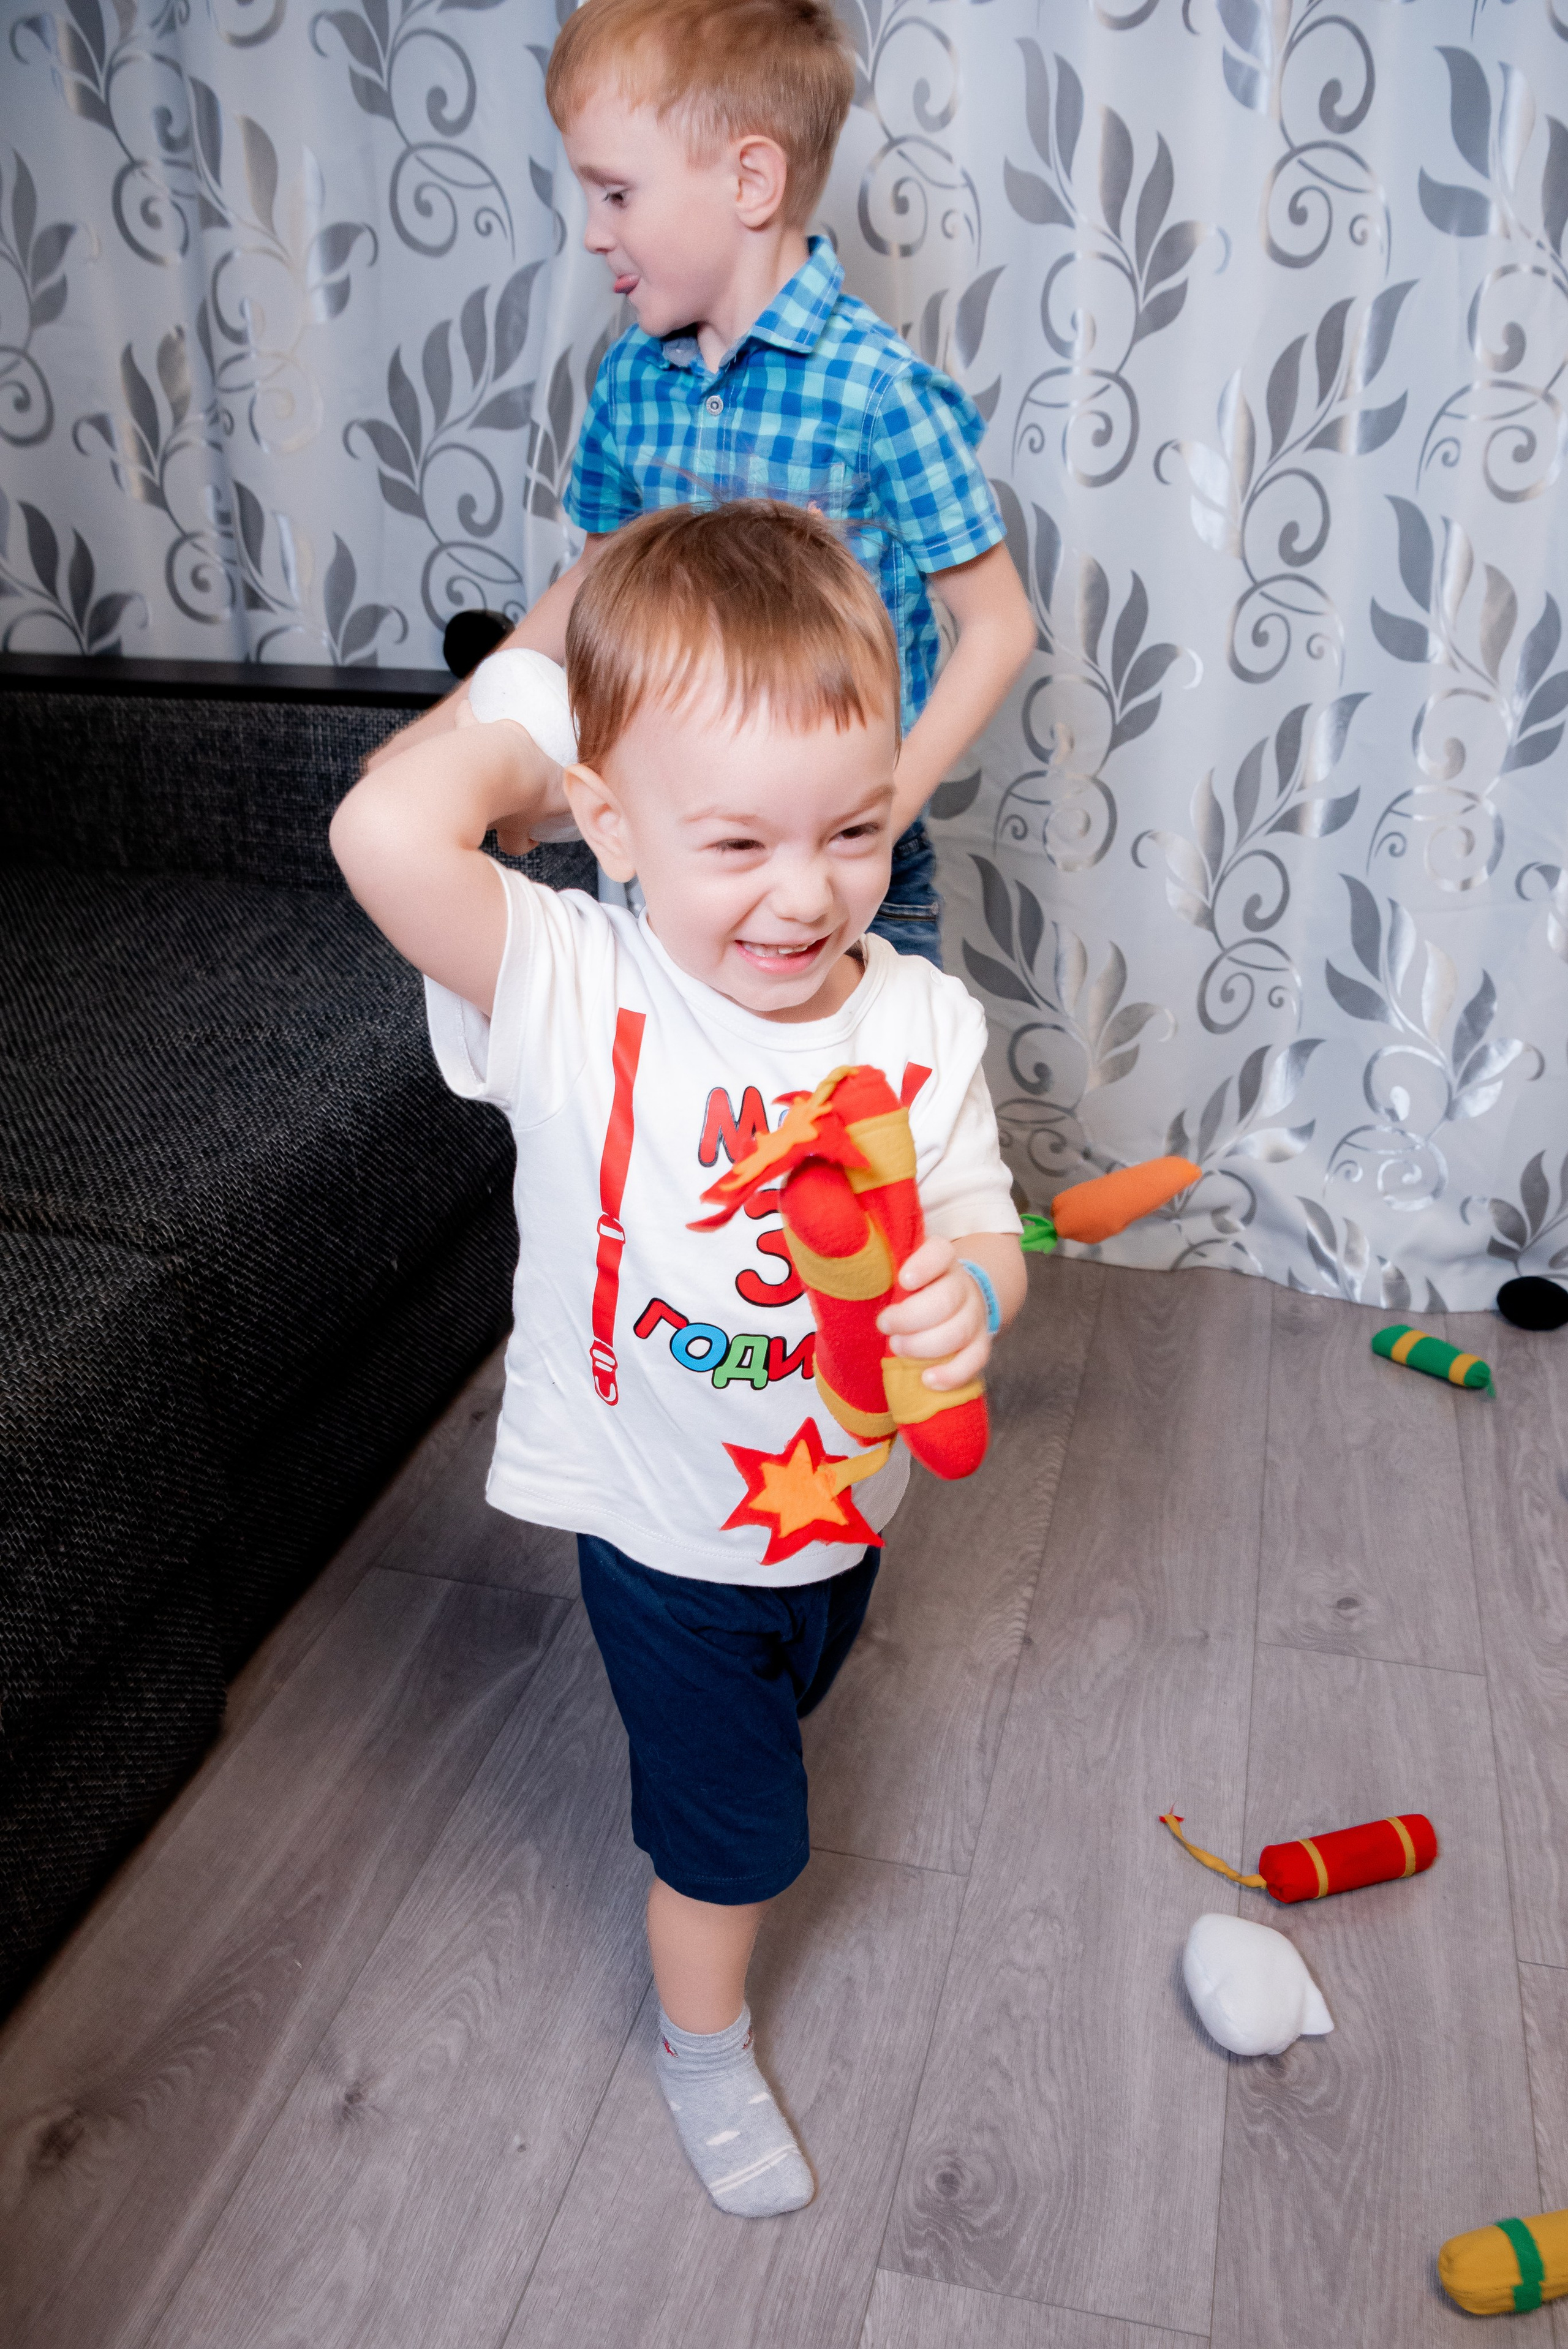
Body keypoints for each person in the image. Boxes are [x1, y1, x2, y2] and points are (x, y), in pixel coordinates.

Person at [331, 501, 1025, 2216]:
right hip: (657, 1522)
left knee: (797, 1693)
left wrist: (976, 1301)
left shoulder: (921, 1020)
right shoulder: (574, 982)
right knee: (736, 1837)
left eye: (853, 829)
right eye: (737, 845)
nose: (806, 893)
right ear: (609, 826)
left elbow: (990, 1233)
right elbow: (384, 824)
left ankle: (730, 1800)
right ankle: (700, 2040)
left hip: (838, 1506)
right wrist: (553, 645)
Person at [369, 0, 1035, 965]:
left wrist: (874, 819)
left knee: (851, 1117)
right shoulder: (631, 382)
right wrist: (446, 727)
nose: (593, 234)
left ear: (750, 180)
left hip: (843, 892)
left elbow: (1000, 625)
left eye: (617, 194)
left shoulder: (880, 393)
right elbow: (592, 583)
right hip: (680, 875)